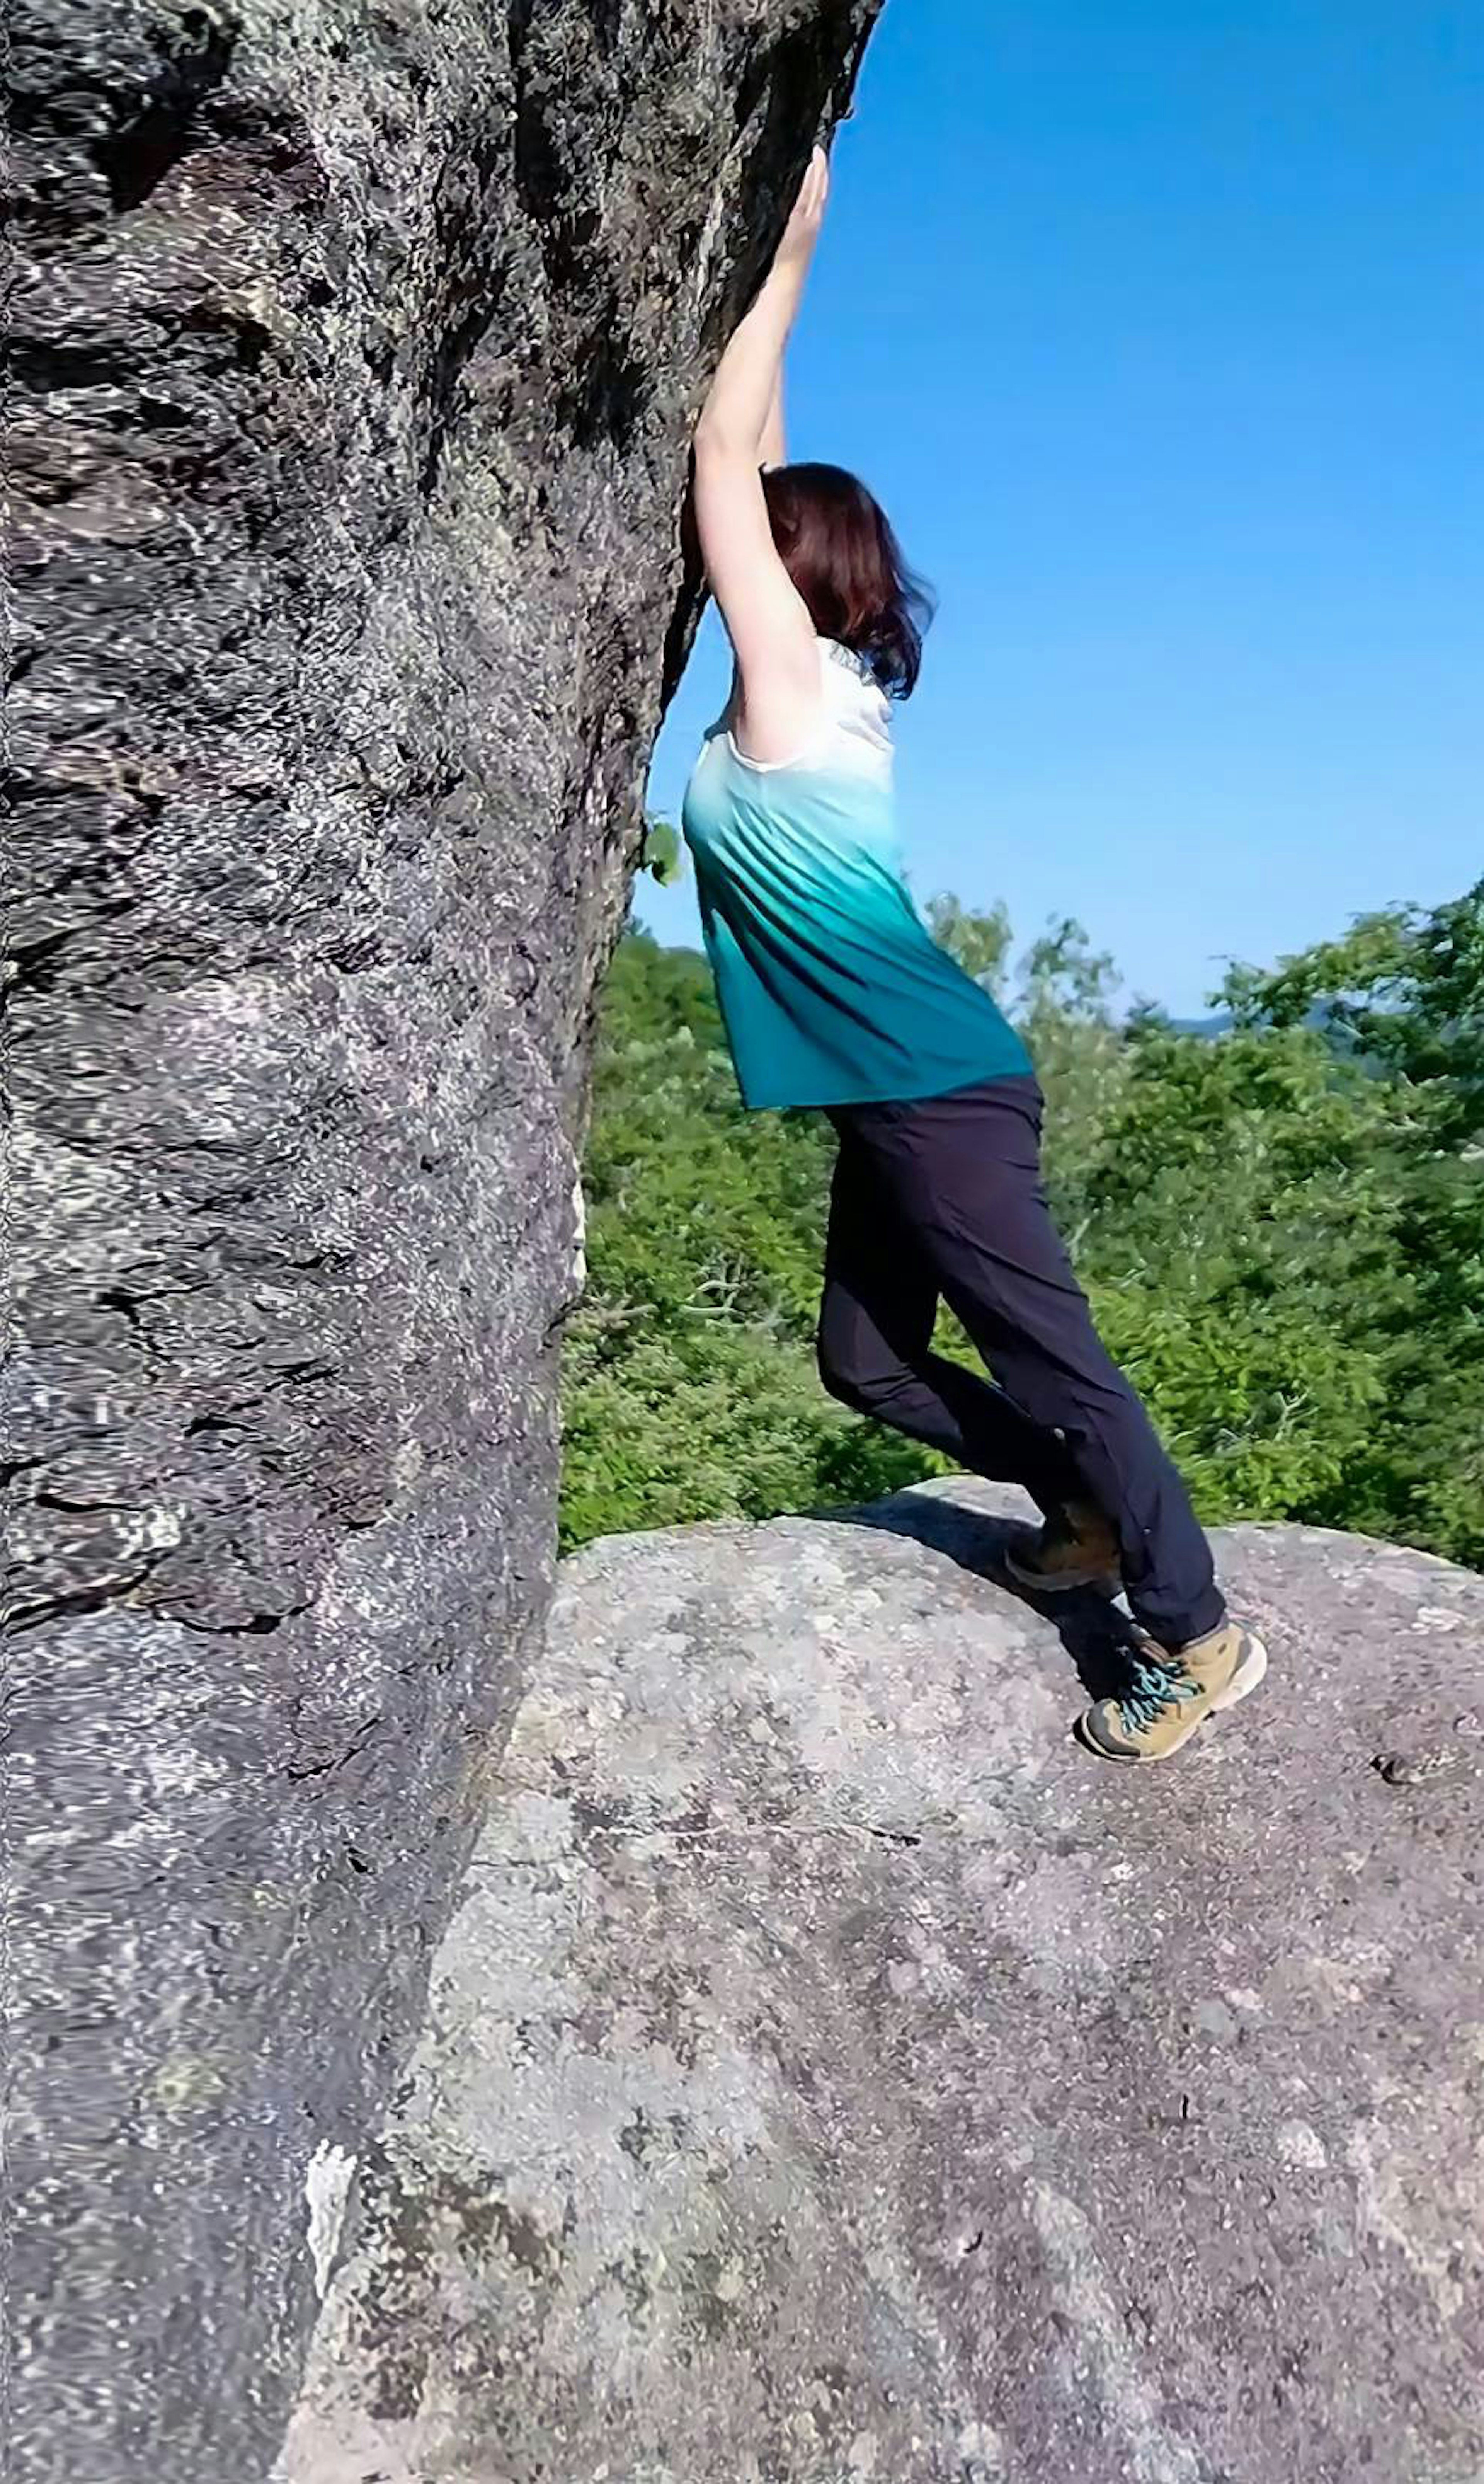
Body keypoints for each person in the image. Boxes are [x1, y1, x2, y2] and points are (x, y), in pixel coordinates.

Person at [680, 148, 1267, 1763]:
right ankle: (1076, 1505)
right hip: (906, 1090)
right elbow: (767, 451)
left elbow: (727, 449)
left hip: (935, 1087)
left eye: (739, 551)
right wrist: (757, 287)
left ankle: (1196, 1629)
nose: (708, 556)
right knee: (865, 1362)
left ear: (779, 580)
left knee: (1056, 1357)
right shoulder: (813, 695)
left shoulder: (794, 690)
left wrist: (789, 244)